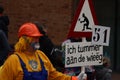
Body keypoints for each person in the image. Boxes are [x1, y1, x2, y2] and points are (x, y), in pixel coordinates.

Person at [0, 22, 87, 80]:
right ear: (25, 40)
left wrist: (73, 78)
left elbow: (54, 75)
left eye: (38, 38)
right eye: (34, 38)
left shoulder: (41, 56)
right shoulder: (14, 60)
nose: (37, 40)